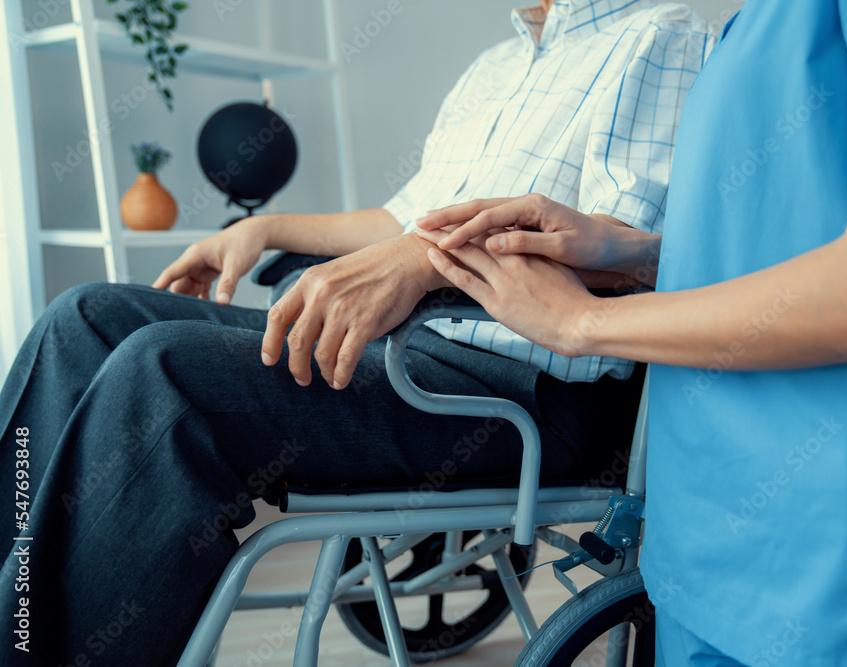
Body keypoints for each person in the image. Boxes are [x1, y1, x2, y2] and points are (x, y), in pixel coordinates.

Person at [0, 1, 714, 664]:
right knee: (85, 319)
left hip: (520, 386)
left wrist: (420, 261)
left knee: (166, 376)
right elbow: (401, 222)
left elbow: (614, 248)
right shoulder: (493, 68)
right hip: (405, 348)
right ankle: (13, 611)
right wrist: (263, 228)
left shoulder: (660, 36)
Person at [416, 0, 847, 664]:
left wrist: (585, 322)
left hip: (844, 549)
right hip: (709, 533)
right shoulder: (758, 21)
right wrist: (630, 250)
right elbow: (795, 234)